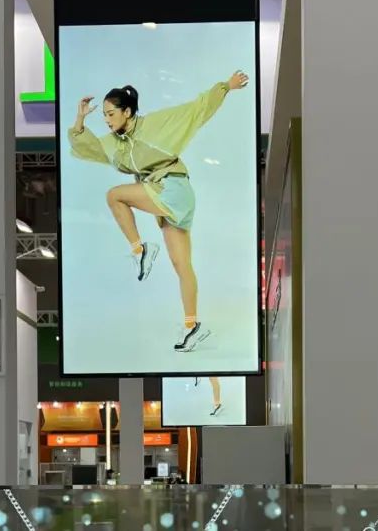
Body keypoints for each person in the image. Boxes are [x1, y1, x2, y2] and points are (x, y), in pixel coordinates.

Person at [69, 71, 250, 352]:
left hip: (172, 189)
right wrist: (80, 119)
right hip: (166, 197)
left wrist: (226, 86)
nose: (106, 120)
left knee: (114, 195)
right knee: (182, 265)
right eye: (104, 115)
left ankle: (139, 250)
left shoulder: (156, 124)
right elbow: (87, 148)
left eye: (111, 114)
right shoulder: (115, 142)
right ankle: (192, 326)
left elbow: (197, 109)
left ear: (127, 112)